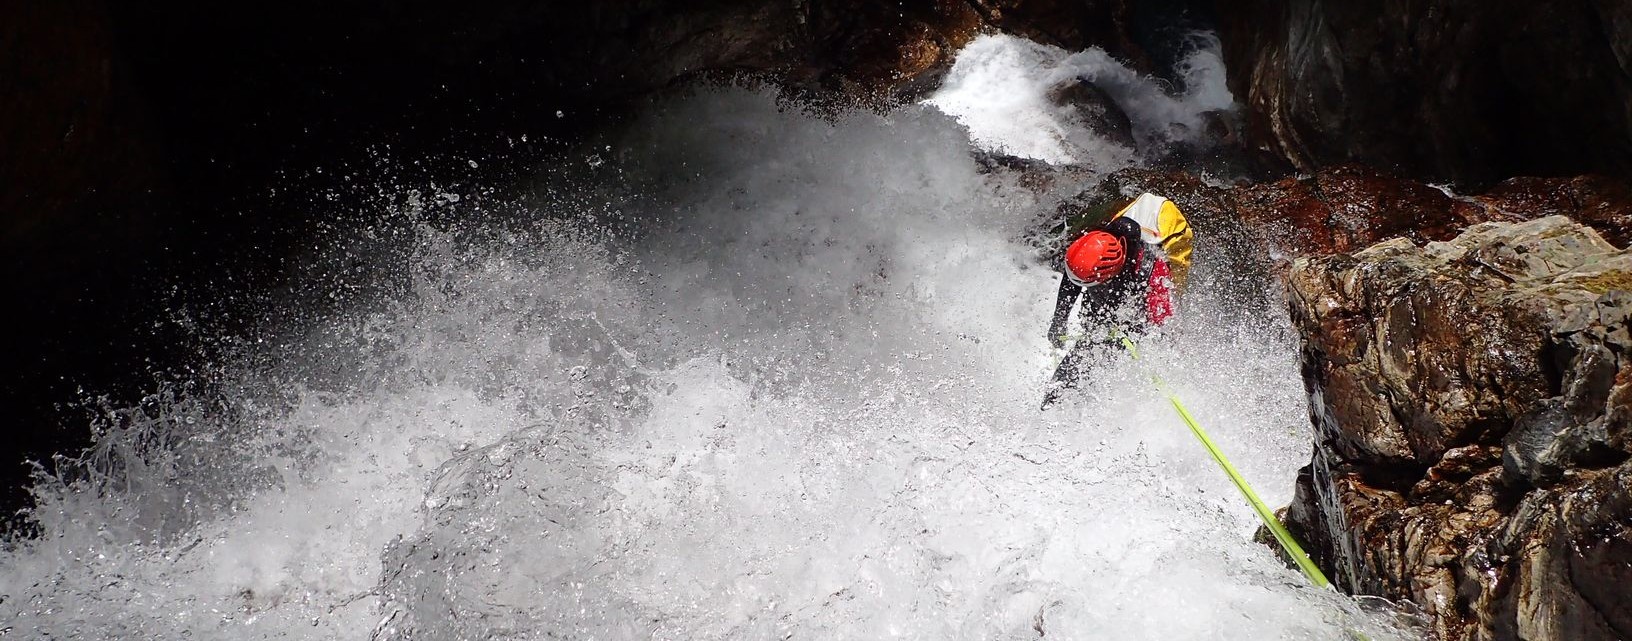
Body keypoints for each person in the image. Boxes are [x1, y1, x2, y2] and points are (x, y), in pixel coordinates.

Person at [1042, 192, 1193, 407]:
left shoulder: (1153, 274)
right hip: (1124, 256)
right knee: (1096, 329)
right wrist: (1059, 320)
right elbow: (1072, 279)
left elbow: (1163, 326)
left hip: (1169, 235)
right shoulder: (1089, 247)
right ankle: (1056, 403)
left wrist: (1139, 338)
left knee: (1128, 332)